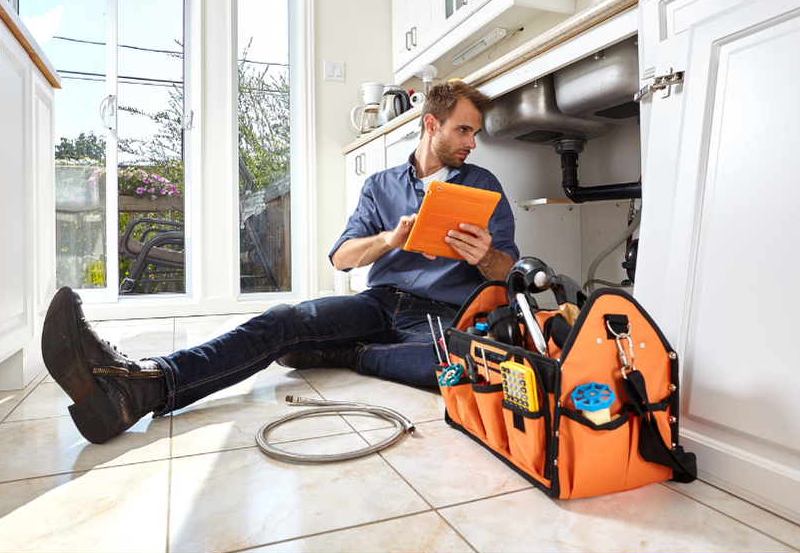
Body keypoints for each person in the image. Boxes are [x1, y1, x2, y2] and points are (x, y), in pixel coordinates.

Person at [42, 80, 520, 444]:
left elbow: (508, 271)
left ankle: (344, 353)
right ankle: (141, 386)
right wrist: (388, 240)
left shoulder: (483, 184)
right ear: (430, 124)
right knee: (281, 321)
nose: (471, 142)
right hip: (377, 303)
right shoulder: (379, 186)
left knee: (461, 360)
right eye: (463, 130)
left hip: (441, 315)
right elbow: (341, 258)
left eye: (475, 133)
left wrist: (487, 257)